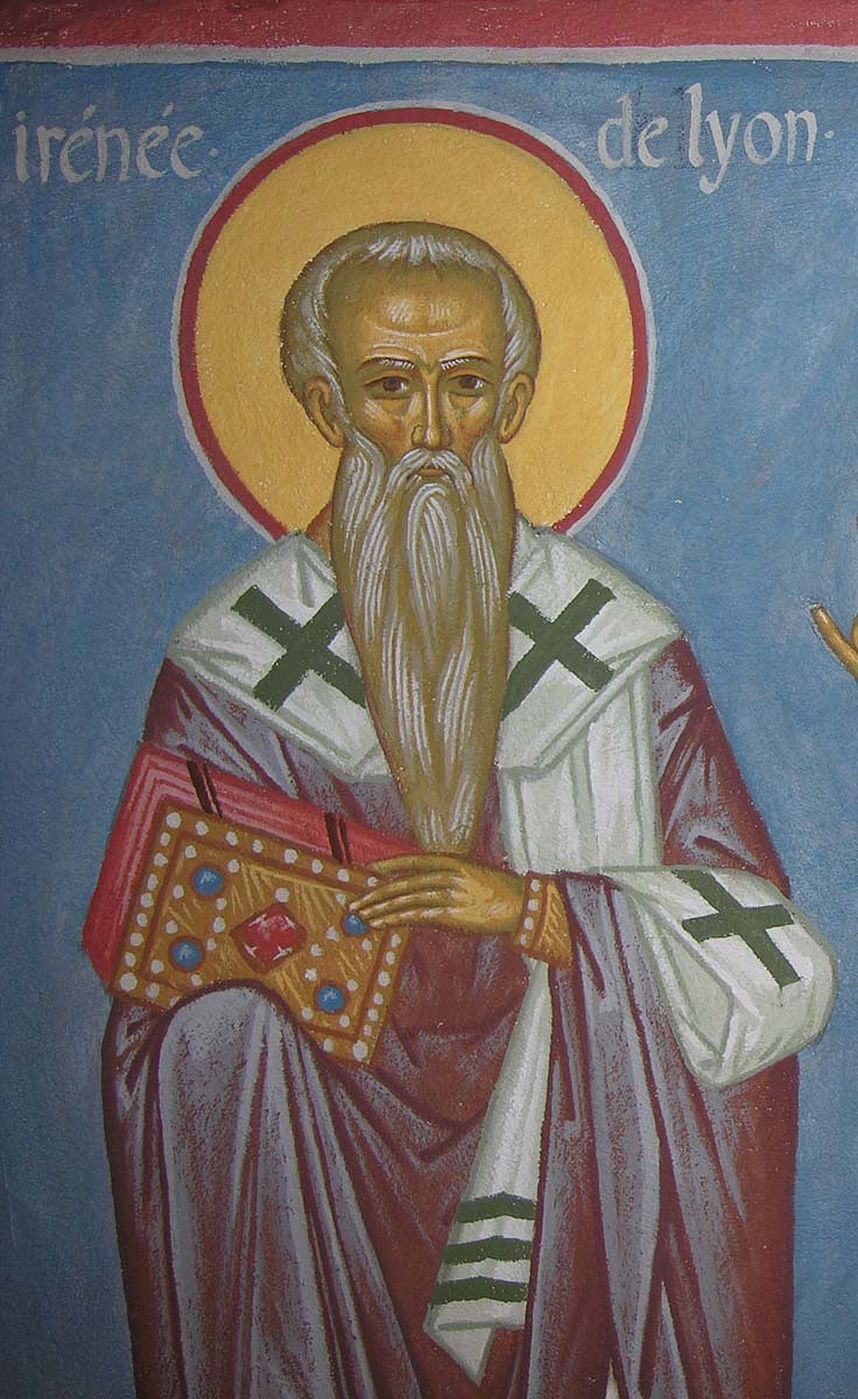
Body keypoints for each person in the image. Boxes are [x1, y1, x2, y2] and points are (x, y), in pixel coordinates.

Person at [99, 222, 835, 1398]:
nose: (435, 432)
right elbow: (159, 998)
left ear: (519, 399)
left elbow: (768, 953)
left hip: (561, 1163)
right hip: (320, 1178)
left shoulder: (613, 651)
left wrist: (543, 913)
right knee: (218, 1039)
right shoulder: (235, 665)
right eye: (392, 387)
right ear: (325, 406)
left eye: (468, 385)